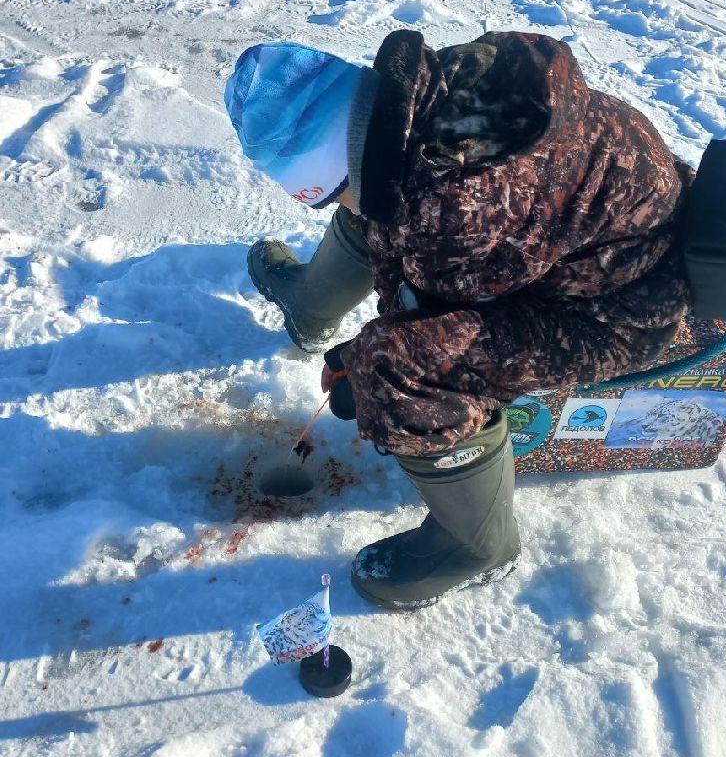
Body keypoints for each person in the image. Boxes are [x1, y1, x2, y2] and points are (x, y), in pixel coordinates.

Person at [224, 31, 695, 611]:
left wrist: (361, 371)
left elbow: (431, 319)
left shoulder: (457, 210)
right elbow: (407, 243)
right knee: (375, 204)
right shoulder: (426, 102)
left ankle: (475, 547)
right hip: (600, 234)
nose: (328, 204)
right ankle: (310, 306)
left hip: (620, 307)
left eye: (322, 195)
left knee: (399, 372)